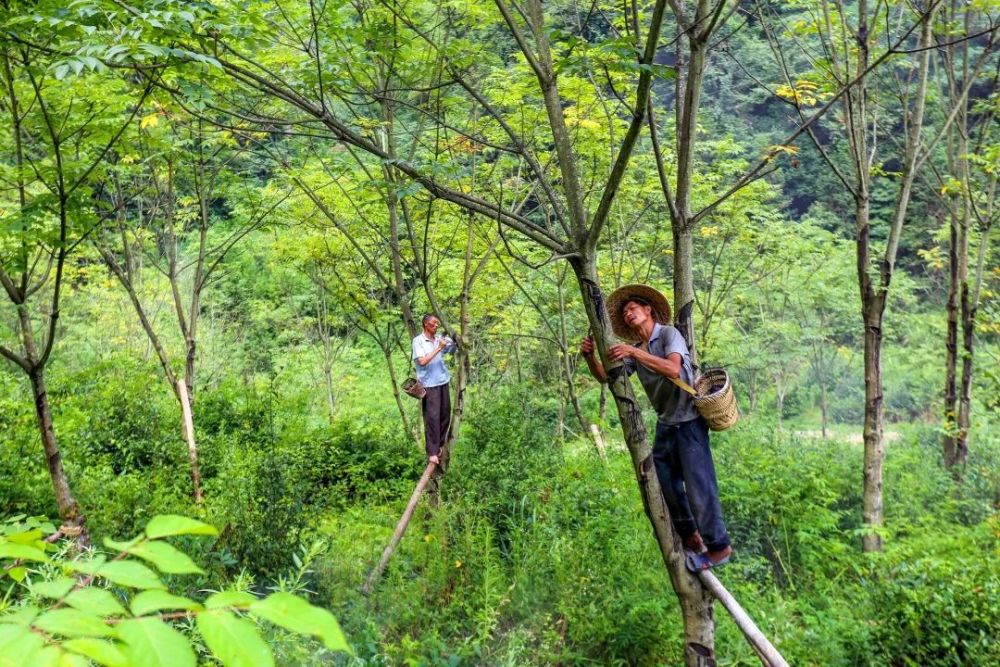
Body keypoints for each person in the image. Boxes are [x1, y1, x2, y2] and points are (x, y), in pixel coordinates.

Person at [580, 284, 732, 572]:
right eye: (624, 313)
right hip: (666, 424)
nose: (628, 314)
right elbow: (606, 378)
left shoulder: (668, 335)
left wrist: (634, 355)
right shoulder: (636, 349)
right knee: (666, 485)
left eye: (633, 309)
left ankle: (719, 547)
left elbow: (673, 369)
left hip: (689, 423)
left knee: (700, 486)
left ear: (648, 310)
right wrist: (590, 357)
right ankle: (691, 537)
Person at [412, 314, 455, 466]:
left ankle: (440, 446)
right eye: (432, 324)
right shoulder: (418, 341)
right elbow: (422, 361)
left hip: (443, 381)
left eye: (437, 324)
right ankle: (432, 452)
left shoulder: (438, 339)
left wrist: (453, 341)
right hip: (429, 385)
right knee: (432, 418)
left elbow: (450, 351)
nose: (436, 326)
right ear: (425, 324)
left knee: (445, 414)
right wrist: (439, 348)